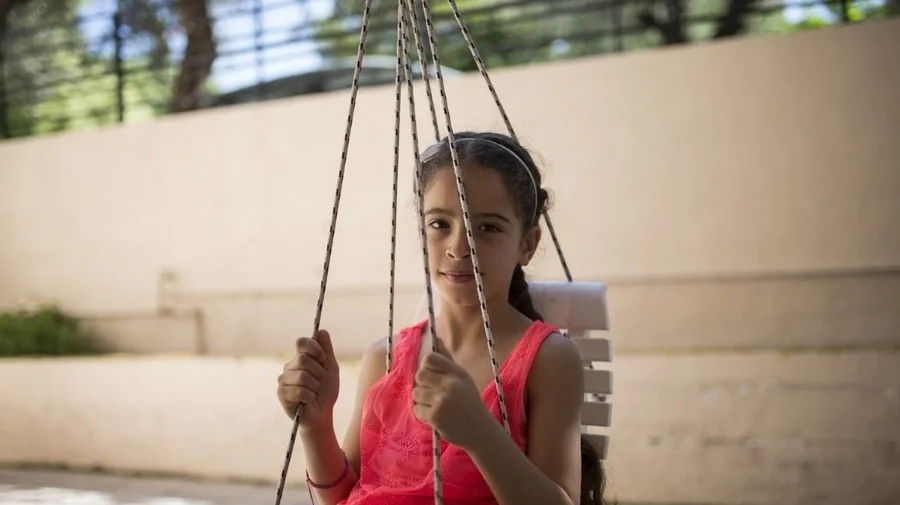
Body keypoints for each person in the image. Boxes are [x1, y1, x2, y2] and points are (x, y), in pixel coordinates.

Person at [277, 131, 610, 505]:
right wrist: (315, 426)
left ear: (527, 244)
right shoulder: (385, 358)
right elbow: (343, 497)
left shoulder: (547, 360)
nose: (458, 248)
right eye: (439, 224)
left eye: (488, 228)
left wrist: (480, 434)